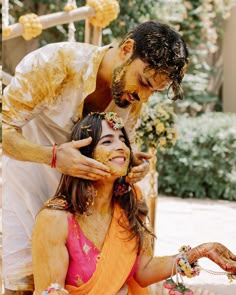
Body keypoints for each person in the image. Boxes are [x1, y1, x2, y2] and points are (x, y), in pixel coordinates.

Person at [2, 21, 189, 294]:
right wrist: (52, 156)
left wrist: (132, 164)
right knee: (25, 283)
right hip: (28, 179)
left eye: (154, 91)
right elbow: (4, 130)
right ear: (127, 49)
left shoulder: (130, 98)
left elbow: (122, 145)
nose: (144, 97)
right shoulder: (56, 62)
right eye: (145, 82)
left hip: (83, 201)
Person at [32, 112, 236, 295]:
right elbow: (49, 291)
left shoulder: (131, 200)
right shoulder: (54, 219)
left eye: (122, 139)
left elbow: (144, 271)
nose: (121, 146)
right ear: (84, 155)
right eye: (107, 141)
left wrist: (201, 251)